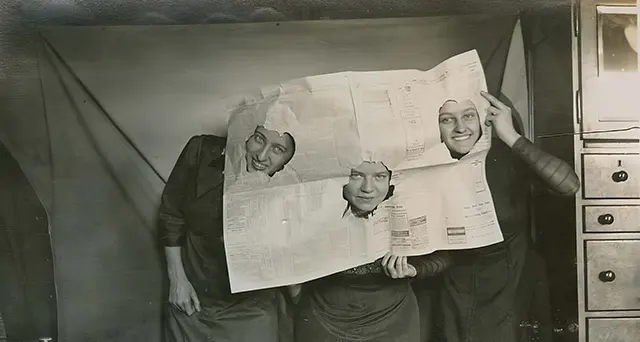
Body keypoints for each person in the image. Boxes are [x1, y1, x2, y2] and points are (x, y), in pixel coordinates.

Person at [437, 91, 580, 342]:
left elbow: (569, 185)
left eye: (469, 116)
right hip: (453, 291)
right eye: (447, 119)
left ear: (486, 118)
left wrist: (512, 136)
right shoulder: (426, 172)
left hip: (513, 287)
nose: (460, 127)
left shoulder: (506, 158)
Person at [159, 125, 296, 342]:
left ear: (288, 161)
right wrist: (177, 282)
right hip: (192, 295)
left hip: (252, 306)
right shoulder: (203, 150)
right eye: (259, 139)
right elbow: (171, 214)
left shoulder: (295, 190)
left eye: (278, 149)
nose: (261, 155)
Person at [295, 160, 451, 342]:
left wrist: (414, 268)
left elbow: (446, 256)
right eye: (356, 175)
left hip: (393, 321)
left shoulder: (411, 209)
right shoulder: (312, 215)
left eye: (379, 176)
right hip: (322, 318)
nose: (368, 188)